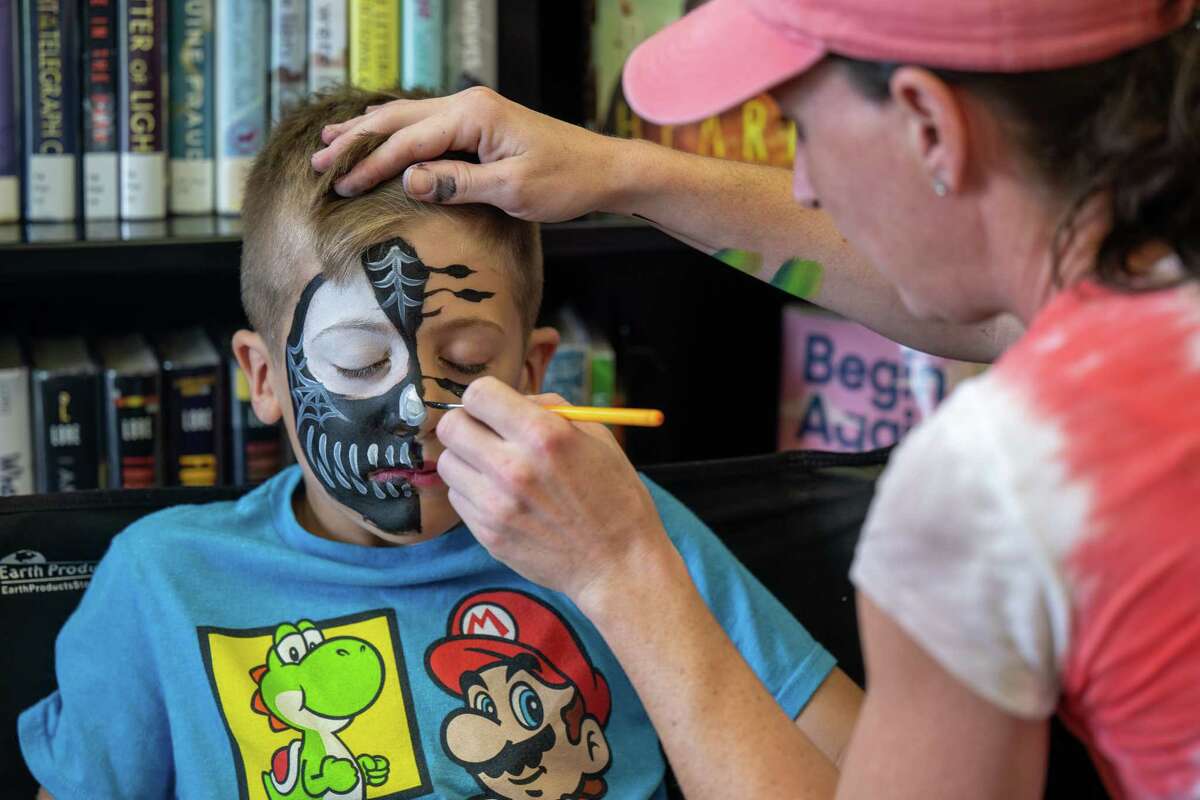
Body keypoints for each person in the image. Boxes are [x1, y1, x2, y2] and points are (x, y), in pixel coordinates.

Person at [312, 1, 1200, 798]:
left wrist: (620, 569)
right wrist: (628, 175)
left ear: (928, 120)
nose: (804, 184)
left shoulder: (993, 486)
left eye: (799, 128)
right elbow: (1002, 288)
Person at [18, 87, 860, 800]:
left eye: (465, 360)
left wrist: (629, 570)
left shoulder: (623, 529)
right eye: (357, 361)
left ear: (534, 371)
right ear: (264, 377)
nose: (417, 406)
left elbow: (865, 765)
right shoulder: (164, 578)